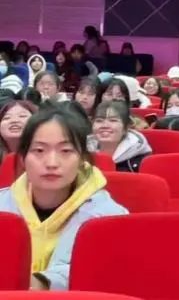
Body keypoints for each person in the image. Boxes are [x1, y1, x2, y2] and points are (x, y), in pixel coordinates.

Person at [0, 103, 127, 290]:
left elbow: (101, 274)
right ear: (22, 159)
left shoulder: (110, 217)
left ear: (82, 159)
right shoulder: (3, 205)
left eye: (66, 151)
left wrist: (41, 283)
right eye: (39, 150)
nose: (51, 163)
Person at [87, 101, 152, 173]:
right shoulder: (81, 154)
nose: (105, 125)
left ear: (125, 128)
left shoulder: (142, 161)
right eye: (99, 121)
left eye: (113, 120)